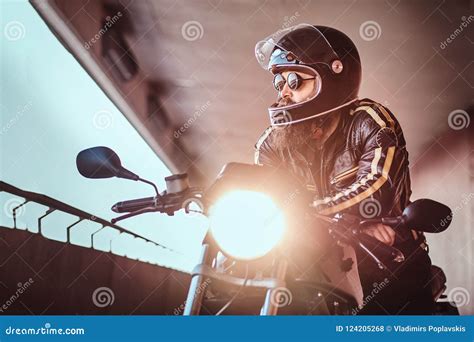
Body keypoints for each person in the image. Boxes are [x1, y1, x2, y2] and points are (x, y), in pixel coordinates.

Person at [254, 24, 434, 314]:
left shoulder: (369, 121)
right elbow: (260, 191)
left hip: (387, 258)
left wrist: (312, 212)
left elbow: (376, 186)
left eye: (294, 80)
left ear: (331, 78)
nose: (284, 91)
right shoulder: (273, 142)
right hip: (312, 258)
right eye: (279, 83)